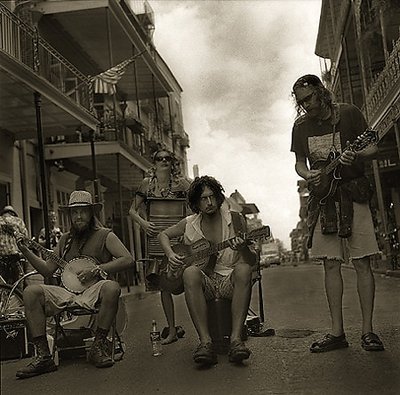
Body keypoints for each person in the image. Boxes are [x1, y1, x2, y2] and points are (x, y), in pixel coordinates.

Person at [290, 74, 384, 353]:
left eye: (308, 98)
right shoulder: (301, 127)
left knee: (362, 262)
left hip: (353, 192)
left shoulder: (349, 113)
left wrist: (356, 155)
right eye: (300, 101)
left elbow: (373, 145)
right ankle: (337, 332)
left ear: (321, 91)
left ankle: (368, 331)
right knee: (330, 264)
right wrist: (309, 174)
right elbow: (299, 163)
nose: (306, 105)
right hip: (324, 199)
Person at [15, 190, 133, 379]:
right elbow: (47, 270)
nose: (78, 216)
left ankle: (98, 347)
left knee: (112, 287)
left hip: (95, 290)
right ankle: (44, 357)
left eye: (83, 211)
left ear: (91, 213)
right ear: (70, 215)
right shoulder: (64, 240)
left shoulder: (105, 235)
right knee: (30, 292)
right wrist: (26, 252)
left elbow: (128, 259)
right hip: (68, 292)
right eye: (74, 212)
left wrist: (97, 268)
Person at [158, 176, 256, 365]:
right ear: (196, 202)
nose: (209, 202)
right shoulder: (189, 224)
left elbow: (252, 261)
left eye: (212, 197)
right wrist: (170, 254)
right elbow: (163, 235)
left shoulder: (235, 220)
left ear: (218, 197)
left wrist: (242, 247)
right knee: (190, 272)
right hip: (206, 283)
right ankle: (205, 342)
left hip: (229, 280)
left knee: (243, 269)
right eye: (203, 199)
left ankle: (236, 341)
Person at [129, 148, 190, 345]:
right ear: (154, 163)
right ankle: (171, 330)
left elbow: (195, 206)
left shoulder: (182, 185)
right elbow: (132, 211)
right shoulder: (147, 185)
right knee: (164, 288)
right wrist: (143, 223)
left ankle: (201, 331)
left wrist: (187, 229)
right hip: (157, 244)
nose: (164, 161)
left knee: (190, 284)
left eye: (168, 158)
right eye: (159, 158)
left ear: (172, 163)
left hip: (179, 244)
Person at [0, 206, 29, 286]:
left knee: (3, 285)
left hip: (1, 258)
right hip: (15, 257)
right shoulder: (18, 221)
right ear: (12, 213)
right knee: (18, 284)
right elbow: (26, 239)